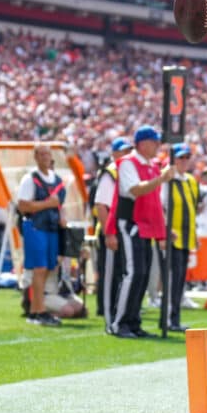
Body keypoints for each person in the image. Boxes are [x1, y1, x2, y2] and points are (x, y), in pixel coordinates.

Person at [106, 125, 173, 338]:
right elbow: (134, 190)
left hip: (146, 225)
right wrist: (160, 179)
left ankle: (133, 321)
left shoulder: (151, 166)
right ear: (143, 144)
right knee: (134, 272)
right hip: (132, 222)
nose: (158, 147)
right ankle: (120, 322)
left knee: (143, 275)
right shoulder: (128, 163)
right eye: (155, 142)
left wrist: (162, 229)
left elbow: (154, 200)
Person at [16, 144, 65, 327]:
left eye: (47, 154)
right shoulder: (30, 179)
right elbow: (23, 206)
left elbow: (60, 205)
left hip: (51, 227)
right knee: (39, 269)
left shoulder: (57, 180)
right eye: (41, 154)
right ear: (36, 157)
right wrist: (47, 204)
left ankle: (37, 308)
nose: (45, 157)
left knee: (47, 269)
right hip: (36, 226)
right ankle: (38, 310)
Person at [93, 137, 131, 330]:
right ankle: (106, 309)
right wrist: (109, 233)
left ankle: (117, 307)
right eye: (123, 151)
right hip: (111, 231)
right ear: (114, 154)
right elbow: (101, 206)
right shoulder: (111, 173)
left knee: (121, 271)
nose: (127, 154)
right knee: (109, 273)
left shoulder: (125, 172)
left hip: (121, 231)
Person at [162, 143, 200, 332]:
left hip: (186, 237)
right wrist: (165, 229)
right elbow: (161, 207)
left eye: (187, 157)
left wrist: (195, 234)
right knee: (172, 280)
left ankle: (174, 318)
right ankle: (168, 318)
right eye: (181, 158)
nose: (184, 161)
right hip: (172, 237)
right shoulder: (167, 179)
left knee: (180, 280)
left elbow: (192, 208)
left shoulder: (191, 181)